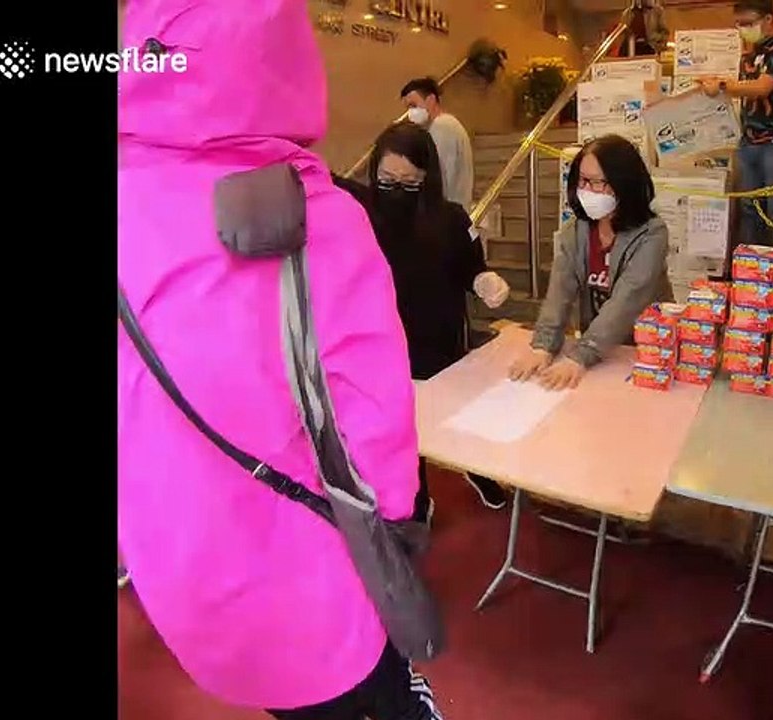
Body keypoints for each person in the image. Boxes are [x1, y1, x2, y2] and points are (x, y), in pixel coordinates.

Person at [117, 1, 441, 719]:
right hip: (313, 581)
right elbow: (375, 416)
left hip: (178, 571)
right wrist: (398, 526)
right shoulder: (322, 216)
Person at [334, 122, 512, 513]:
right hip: (385, 339)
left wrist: (484, 281)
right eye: (388, 179)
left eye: (410, 182)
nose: (397, 189)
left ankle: (478, 469)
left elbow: (472, 268)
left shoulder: (451, 218)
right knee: (405, 428)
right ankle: (418, 501)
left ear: (427, 177)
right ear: (375, 170)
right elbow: (316, 177)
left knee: (457, 414)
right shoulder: (358, 208)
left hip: (441, 336)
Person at [508, 134, 670, 390]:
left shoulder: (652, 233)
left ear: (624, 184)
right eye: (583, 181)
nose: (588, 191)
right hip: (599, 352)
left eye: (598, 183)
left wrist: (583, 354)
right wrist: (543, 345)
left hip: (647, 349)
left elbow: (627, 300)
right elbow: (560, 291)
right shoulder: (575, 231)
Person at [701, 0, 773, 249]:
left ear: (768, 19)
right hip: (749, 140)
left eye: (749, 23)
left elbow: (762, 87)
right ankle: (749, 264)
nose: (743, 29)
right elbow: (742, 91)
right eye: (739, 24)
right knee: (748, 208)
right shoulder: (748, 55)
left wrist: (722, 86)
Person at [401, 76, 474, 211]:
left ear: (431, 100)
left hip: (447, 211)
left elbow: (440, 175)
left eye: (413, 105)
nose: (411, 113)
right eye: (408, 108)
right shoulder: (447, 125)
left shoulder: (442, 127)